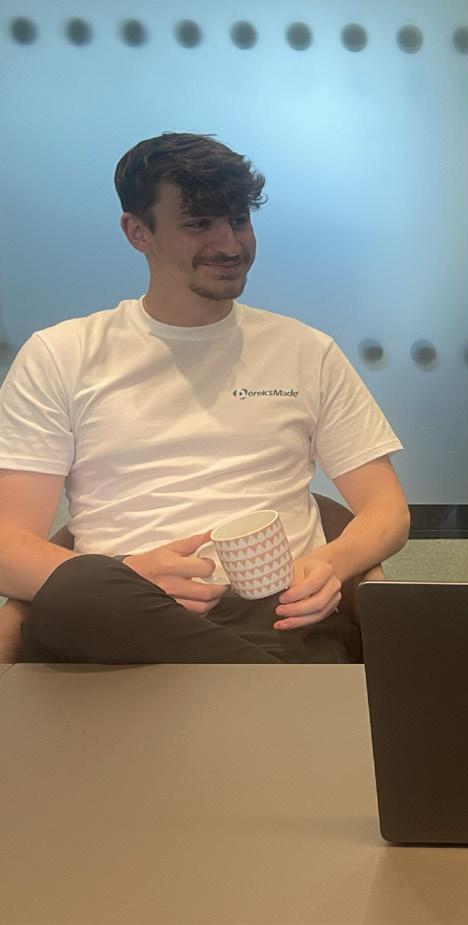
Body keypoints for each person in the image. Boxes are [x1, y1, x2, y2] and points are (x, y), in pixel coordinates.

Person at [0, 133, 410, 663]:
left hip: (280, 616)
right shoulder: (62, 354)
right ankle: (274, 691)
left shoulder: (306, 351)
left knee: (79, 595)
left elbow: (387, 509)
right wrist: (128, 575)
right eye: (198, 224)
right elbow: (9, 542)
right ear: (138, 232)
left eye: (238, 220)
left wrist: (332, 563)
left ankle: (254, 684)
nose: (230, 244)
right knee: (78, 591)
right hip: (116, 622)